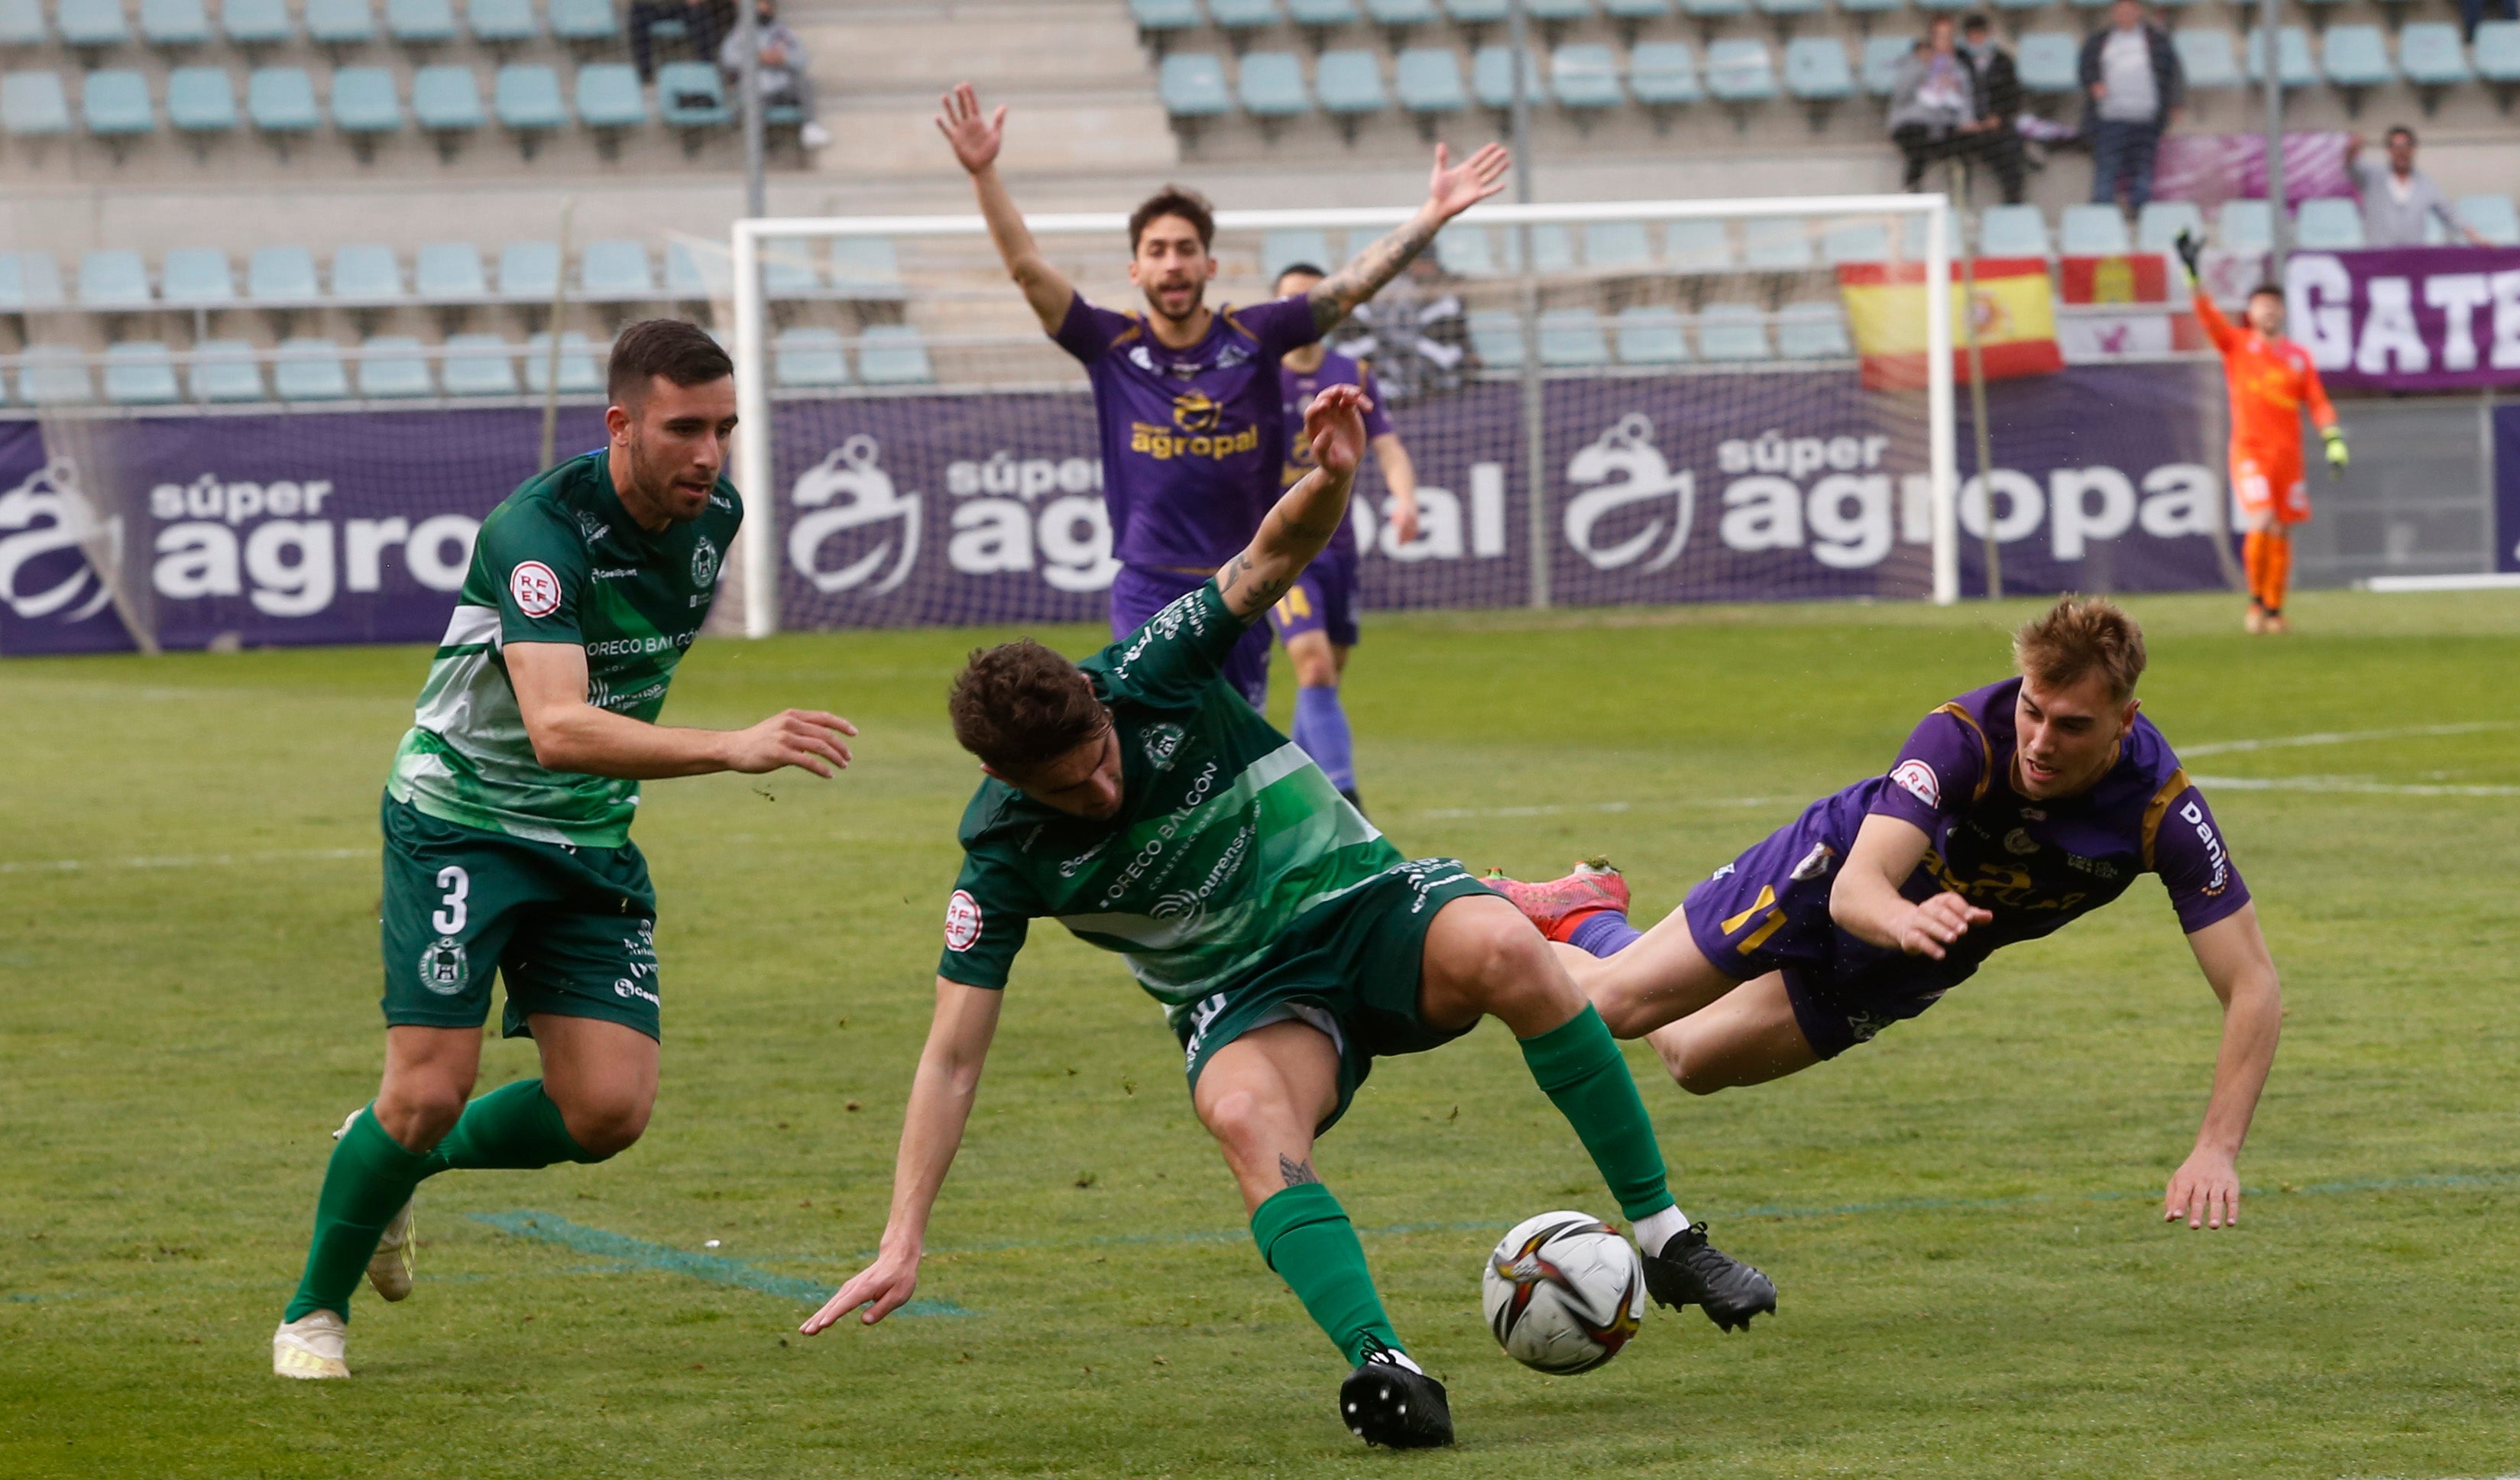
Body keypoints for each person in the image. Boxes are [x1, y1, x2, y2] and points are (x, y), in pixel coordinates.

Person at [802, 384, 1777, 1451]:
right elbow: (950, 1058)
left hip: (1365, 908)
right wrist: (902, 1239)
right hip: (1246, 1002)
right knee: (1239, 1118)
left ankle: (1664, 1232)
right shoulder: (1000, 855)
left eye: (1103, 760)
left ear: (1098, 704)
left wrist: (1336, 476)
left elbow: (1267, 558)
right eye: (1069, 789)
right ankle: (1384, 1363)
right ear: (1000, 775)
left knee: (1502, 946)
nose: (1103, 792)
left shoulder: (1146, 672)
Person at [270, 321, 860, 1381]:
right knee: (428, 1087)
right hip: (463, 821)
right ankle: (313, 1312)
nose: (710, 454)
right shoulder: (536, 534)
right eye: (685, 428)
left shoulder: (713, 514)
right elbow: (557, 726)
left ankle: (397, 1163)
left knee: (606, 1112)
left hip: (587, 833)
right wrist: (733, 746)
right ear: (620, 424)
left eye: (725, 428)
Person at [1491, 597, 2283, 1235]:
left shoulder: (2160, 813)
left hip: (1918, 956)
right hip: (1829, 870)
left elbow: (2251, 985)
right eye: (2033, 711)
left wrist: (2215, 1146)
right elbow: (1858, 886)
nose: (2039, 741)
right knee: (1612, 1008)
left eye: (2072, 724)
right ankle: (1553, 929)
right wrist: (1901, 919)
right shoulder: (1961, 736)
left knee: (1694, 1061)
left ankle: (1592, 914)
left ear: (2125, 718)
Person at [934, 81, 1506, 712]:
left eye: (1186, 250)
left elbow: (1350, 287)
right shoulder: (1110, 344)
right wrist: (984, 173)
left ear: (1210, 265)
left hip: (1242, 584)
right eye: (1157, 252)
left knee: (1231, 754)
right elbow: (1027, 268)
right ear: (1136, 270)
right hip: (1148, 586)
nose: (1172, 264)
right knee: (1157, 736)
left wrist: (1431, 214)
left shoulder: (1257, 335)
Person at [1262, 261, 1421, 814]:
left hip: (1338, 547)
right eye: (1290, 300)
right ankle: (1345, 799)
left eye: (1313, 299)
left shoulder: (1352, 371)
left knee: (1326, 676)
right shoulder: (1258, 376)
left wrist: (1405, 497)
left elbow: (1389, 446)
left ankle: (1294, 792)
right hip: (1279, 549)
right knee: (1314, 665)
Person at [2173, 232, 2344, 634]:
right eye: (2262, 306)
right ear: (2250, 312)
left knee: (2281, 528)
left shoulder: (2298, 358)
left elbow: (2317, 402)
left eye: (2275, 306)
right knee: (2262, 518)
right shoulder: (2237, 345)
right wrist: (2192, 275)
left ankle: (2273, 609)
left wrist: (2333, 439)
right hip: (2250, 451)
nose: (2269, 312)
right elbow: (2208, 317)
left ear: (2282, 313)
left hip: (2288, 456)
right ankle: (2254, 603)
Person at [2079, 0, 2182, 212]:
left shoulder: (2156, 39)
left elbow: (2174, 72)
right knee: (2107, 167)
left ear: (2139, 11)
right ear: (2114, 12)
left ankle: (2141, 213)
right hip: (2110, 116)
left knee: (2143, 168)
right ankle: (2102, 213)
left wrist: (2176, 101)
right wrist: (2094, 83)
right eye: (2121, 8)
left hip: (2146, 116)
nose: (2125, 13)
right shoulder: (2100, 40)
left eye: (2130, 8)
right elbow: (2086, 67)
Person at [2350, 127, 2490, 248]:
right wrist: (2352, 150)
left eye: (2406, 147)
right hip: (2379, 255)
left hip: (2412, 257)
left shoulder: (2425, 183)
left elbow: (2449, 212)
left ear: (2413, 149)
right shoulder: (2372, 177)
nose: (2401, 153)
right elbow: (2352, 167)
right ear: (2389, 151)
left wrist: (2474, 236)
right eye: (2396, 147)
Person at [720, 0, 830, 150]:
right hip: (759, 89)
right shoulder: (741, 32)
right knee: (752, 107)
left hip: (782, 87)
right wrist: (757, 57)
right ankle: (755, 148)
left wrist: (784, 58)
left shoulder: (781, 32)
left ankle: (810, 127)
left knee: (804, 82)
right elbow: (728, 58)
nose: (764, 10)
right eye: (759, 7)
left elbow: (802, 59)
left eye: (767, 7)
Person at [1887, 18, 1981, 193]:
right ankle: (1912, 192)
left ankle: (1962, 203)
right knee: (1918, 138)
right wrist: (1922, 67)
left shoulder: (1958, 69)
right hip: (1912, 122)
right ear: (1932, 39)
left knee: (1965, 145)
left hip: (1943, 125)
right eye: (1941, 36)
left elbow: (1966, 101)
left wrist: (1967, 121)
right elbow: (1899, 96)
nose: (1946, 42)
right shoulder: (1914, 62)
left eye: (1950, 37)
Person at [1961, 14, 2027, 206]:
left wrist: (1998, 116)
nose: (1976, 40)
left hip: (1995, 125)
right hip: (1966, 127)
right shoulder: (1959, 60)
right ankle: (1962, 204)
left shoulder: (2003, 62)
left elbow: (2013, 96)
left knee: (2010, 150)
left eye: (1980, 35)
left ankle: (2013, 202)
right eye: (1972, 36)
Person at [629, 0, 733, 85]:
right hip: (654, 6)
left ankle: (707, 70)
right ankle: (645, 75)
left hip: (682, 6)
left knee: (701, 14)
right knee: (637, 13)